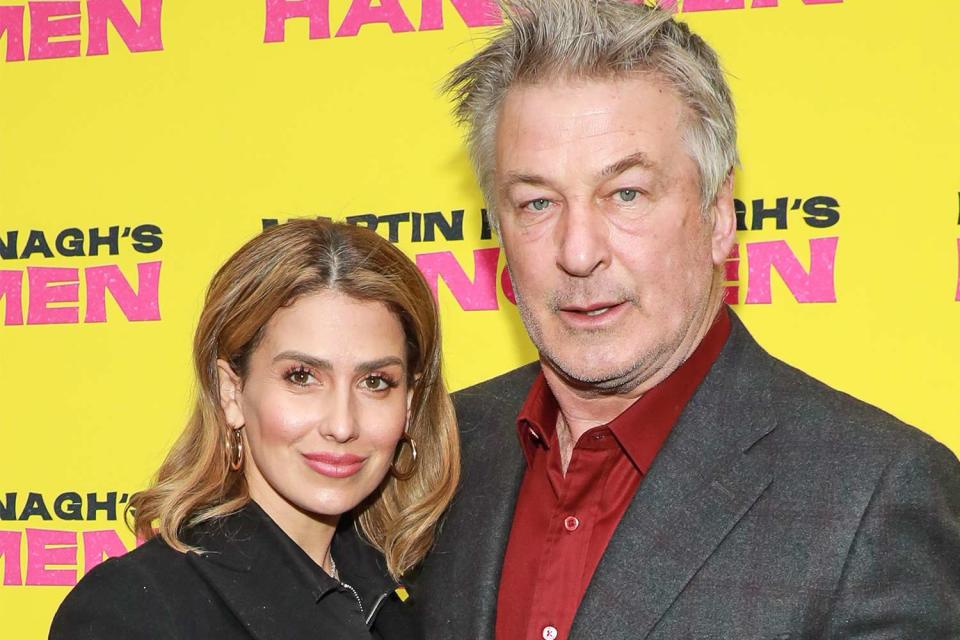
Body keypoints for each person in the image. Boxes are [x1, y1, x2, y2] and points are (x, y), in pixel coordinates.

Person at [412, 2, 960, 639]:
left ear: (719, 213)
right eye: (537, 202)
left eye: (626, 194)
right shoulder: (433, 452)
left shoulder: (873, 495)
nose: (578, 251)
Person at [50, 219, 459, 639]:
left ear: (408, 402)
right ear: (231, 391)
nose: (342, 425)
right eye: (301, 376)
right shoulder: (135, 610)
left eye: (375, 382)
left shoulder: (421, 607)